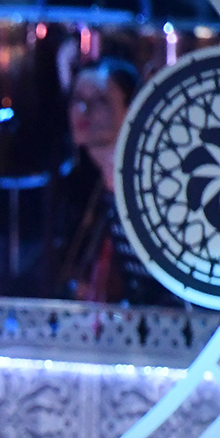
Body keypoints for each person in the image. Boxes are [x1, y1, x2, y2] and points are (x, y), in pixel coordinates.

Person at [52, 57, 175, 305]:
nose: (83, 110)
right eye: (77, 99)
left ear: (131, 110)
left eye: (100, 100)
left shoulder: (153, 189)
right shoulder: (86, 186)